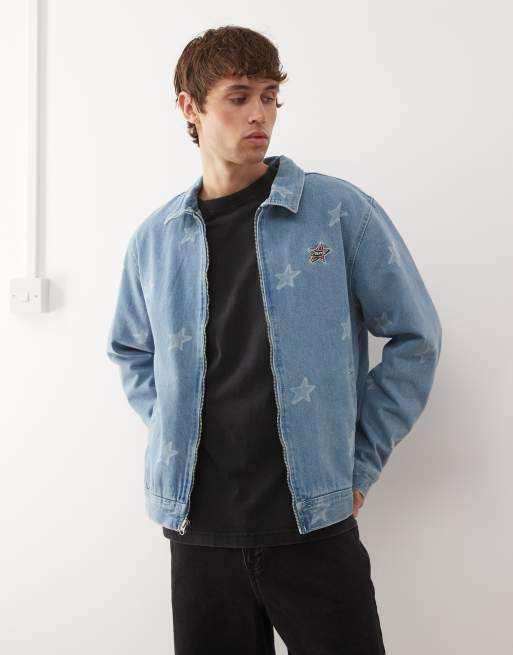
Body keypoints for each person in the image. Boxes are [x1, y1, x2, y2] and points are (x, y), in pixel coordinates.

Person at [106, 24, 442, 655]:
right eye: (238, 97)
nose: (259, 113)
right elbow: (130, 350)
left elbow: (415, 337)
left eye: (269, 96)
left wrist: (360, 464)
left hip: (312, 520)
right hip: (198, 529)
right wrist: (177, 427)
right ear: (189, 106)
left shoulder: (336, 211)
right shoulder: (156, 239)